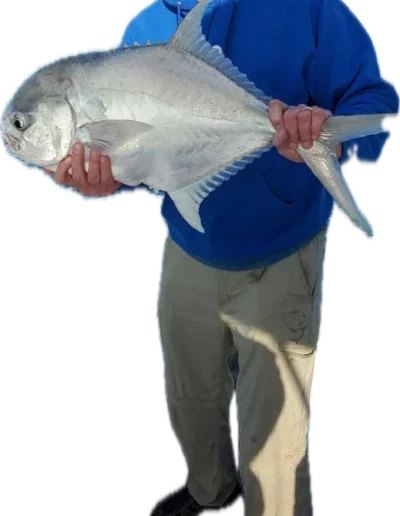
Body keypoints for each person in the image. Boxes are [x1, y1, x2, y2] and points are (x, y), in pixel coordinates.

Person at [44, 1, 399, 515]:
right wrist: (108, 181)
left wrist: (327, 136)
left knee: (275, 430)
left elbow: (374, 110)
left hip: (280, 252)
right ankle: (213, 494)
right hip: (189, 246)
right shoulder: (149, 26)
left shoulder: (311, 9)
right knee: (190, 398)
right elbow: (147, 162)